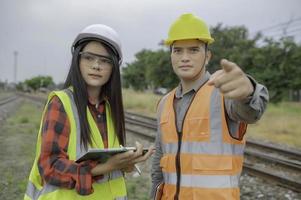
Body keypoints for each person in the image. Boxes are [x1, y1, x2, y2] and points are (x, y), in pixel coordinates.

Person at [24, 24, 154, 200]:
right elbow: (49, 166)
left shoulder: (110, 108)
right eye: (89, 58)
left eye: (105, 60)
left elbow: (108, 163)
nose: (96, 66)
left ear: (114, 67)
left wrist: (127, 163)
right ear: (77, 60)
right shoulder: (61, 103)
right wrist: (106, 167)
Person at [151, 13, 269, 200]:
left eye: (193, 50)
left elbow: (251, 112)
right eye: (178, 50)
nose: (184, 57)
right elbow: (159, 165)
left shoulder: (223, 93)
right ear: (171, 56)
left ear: (207, 56)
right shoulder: (165, 103)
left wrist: (248, 91)